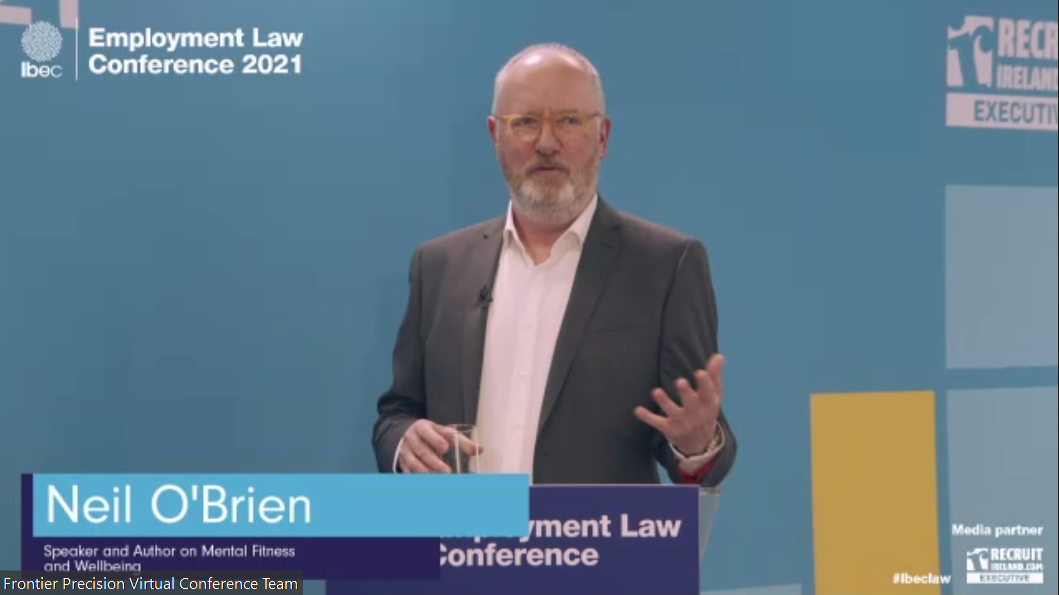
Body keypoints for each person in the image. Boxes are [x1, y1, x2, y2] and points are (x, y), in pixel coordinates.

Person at [372, 43, 736, 486]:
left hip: (597, 532)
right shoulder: (438, 267)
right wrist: (404, 440)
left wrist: (696, 444)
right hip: (464, 531)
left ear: (602, 137)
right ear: (495, 136)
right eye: (525, 122)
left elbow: (695, 441)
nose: (546, 143)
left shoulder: (665, 266)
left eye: (568, 121)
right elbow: (397, 413)